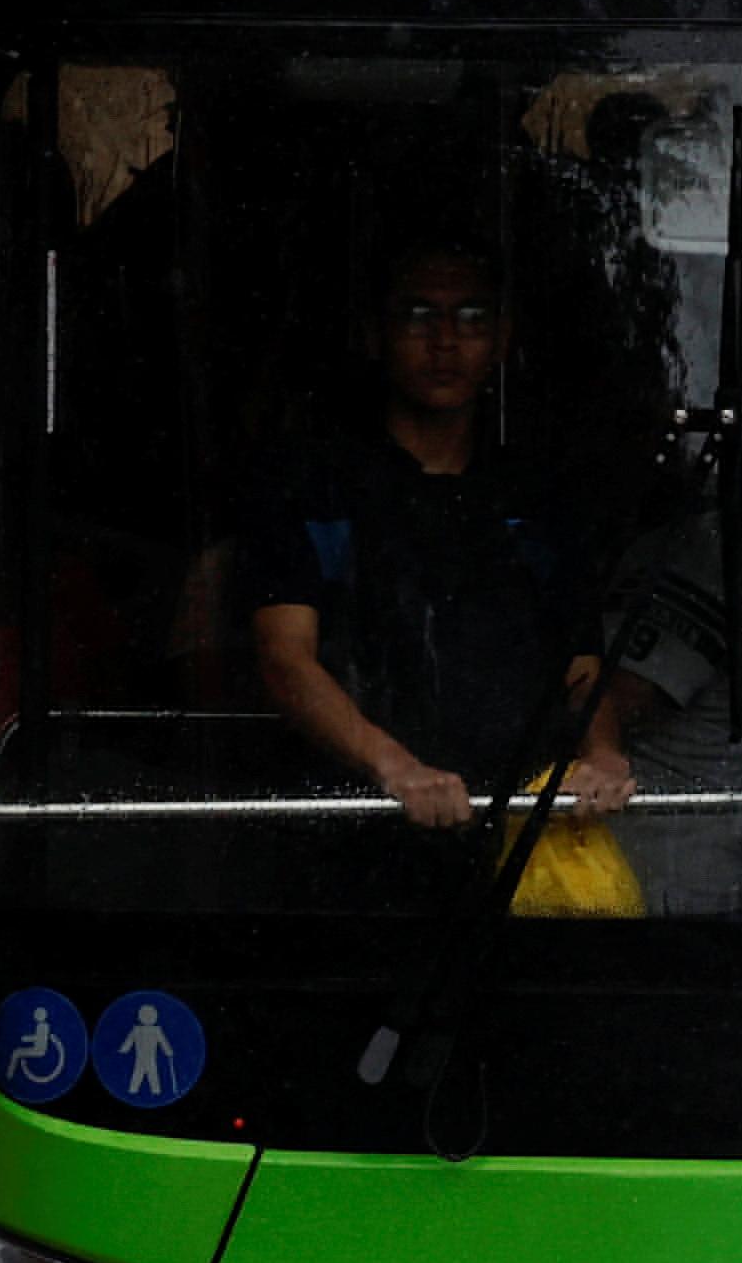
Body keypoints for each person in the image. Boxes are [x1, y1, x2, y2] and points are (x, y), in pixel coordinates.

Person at [221, 240, 636, 831]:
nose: (445, 341)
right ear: (376, 334)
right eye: (420, 315)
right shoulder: (313, 486)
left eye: (471, 318)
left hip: (512, 834)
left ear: (501, 339)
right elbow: (285, 659)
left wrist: (603, 756)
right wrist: (396, 768)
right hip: (346, 826)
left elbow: (580, 667)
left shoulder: (534, 499)